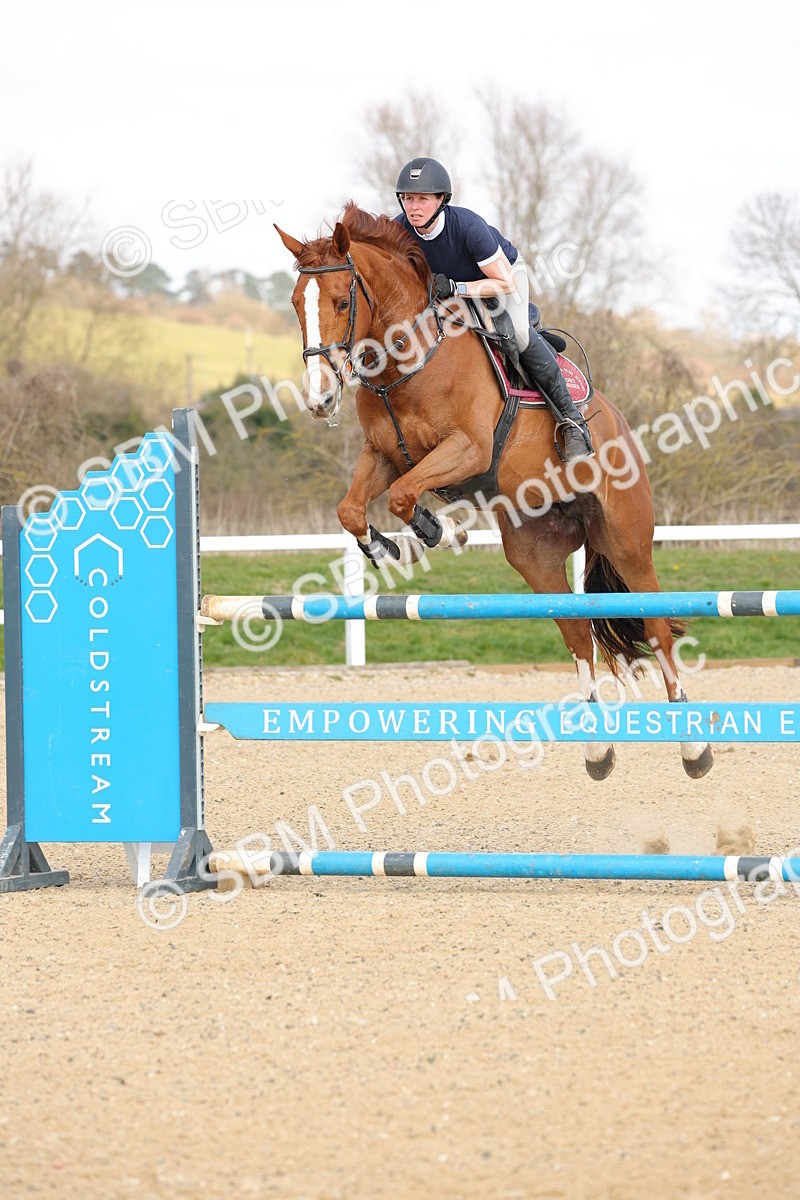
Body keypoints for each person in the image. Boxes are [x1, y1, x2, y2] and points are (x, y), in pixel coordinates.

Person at [394, 157, 594, 461]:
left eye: (422, 198)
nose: (414, 207)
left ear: (441, 201)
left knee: (520, 337)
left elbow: (504, 282)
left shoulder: (467, 227)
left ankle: (573, 423)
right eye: (408, 198)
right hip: (448, 290)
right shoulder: (400, 229)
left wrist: (458, 287)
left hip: (501, 279)